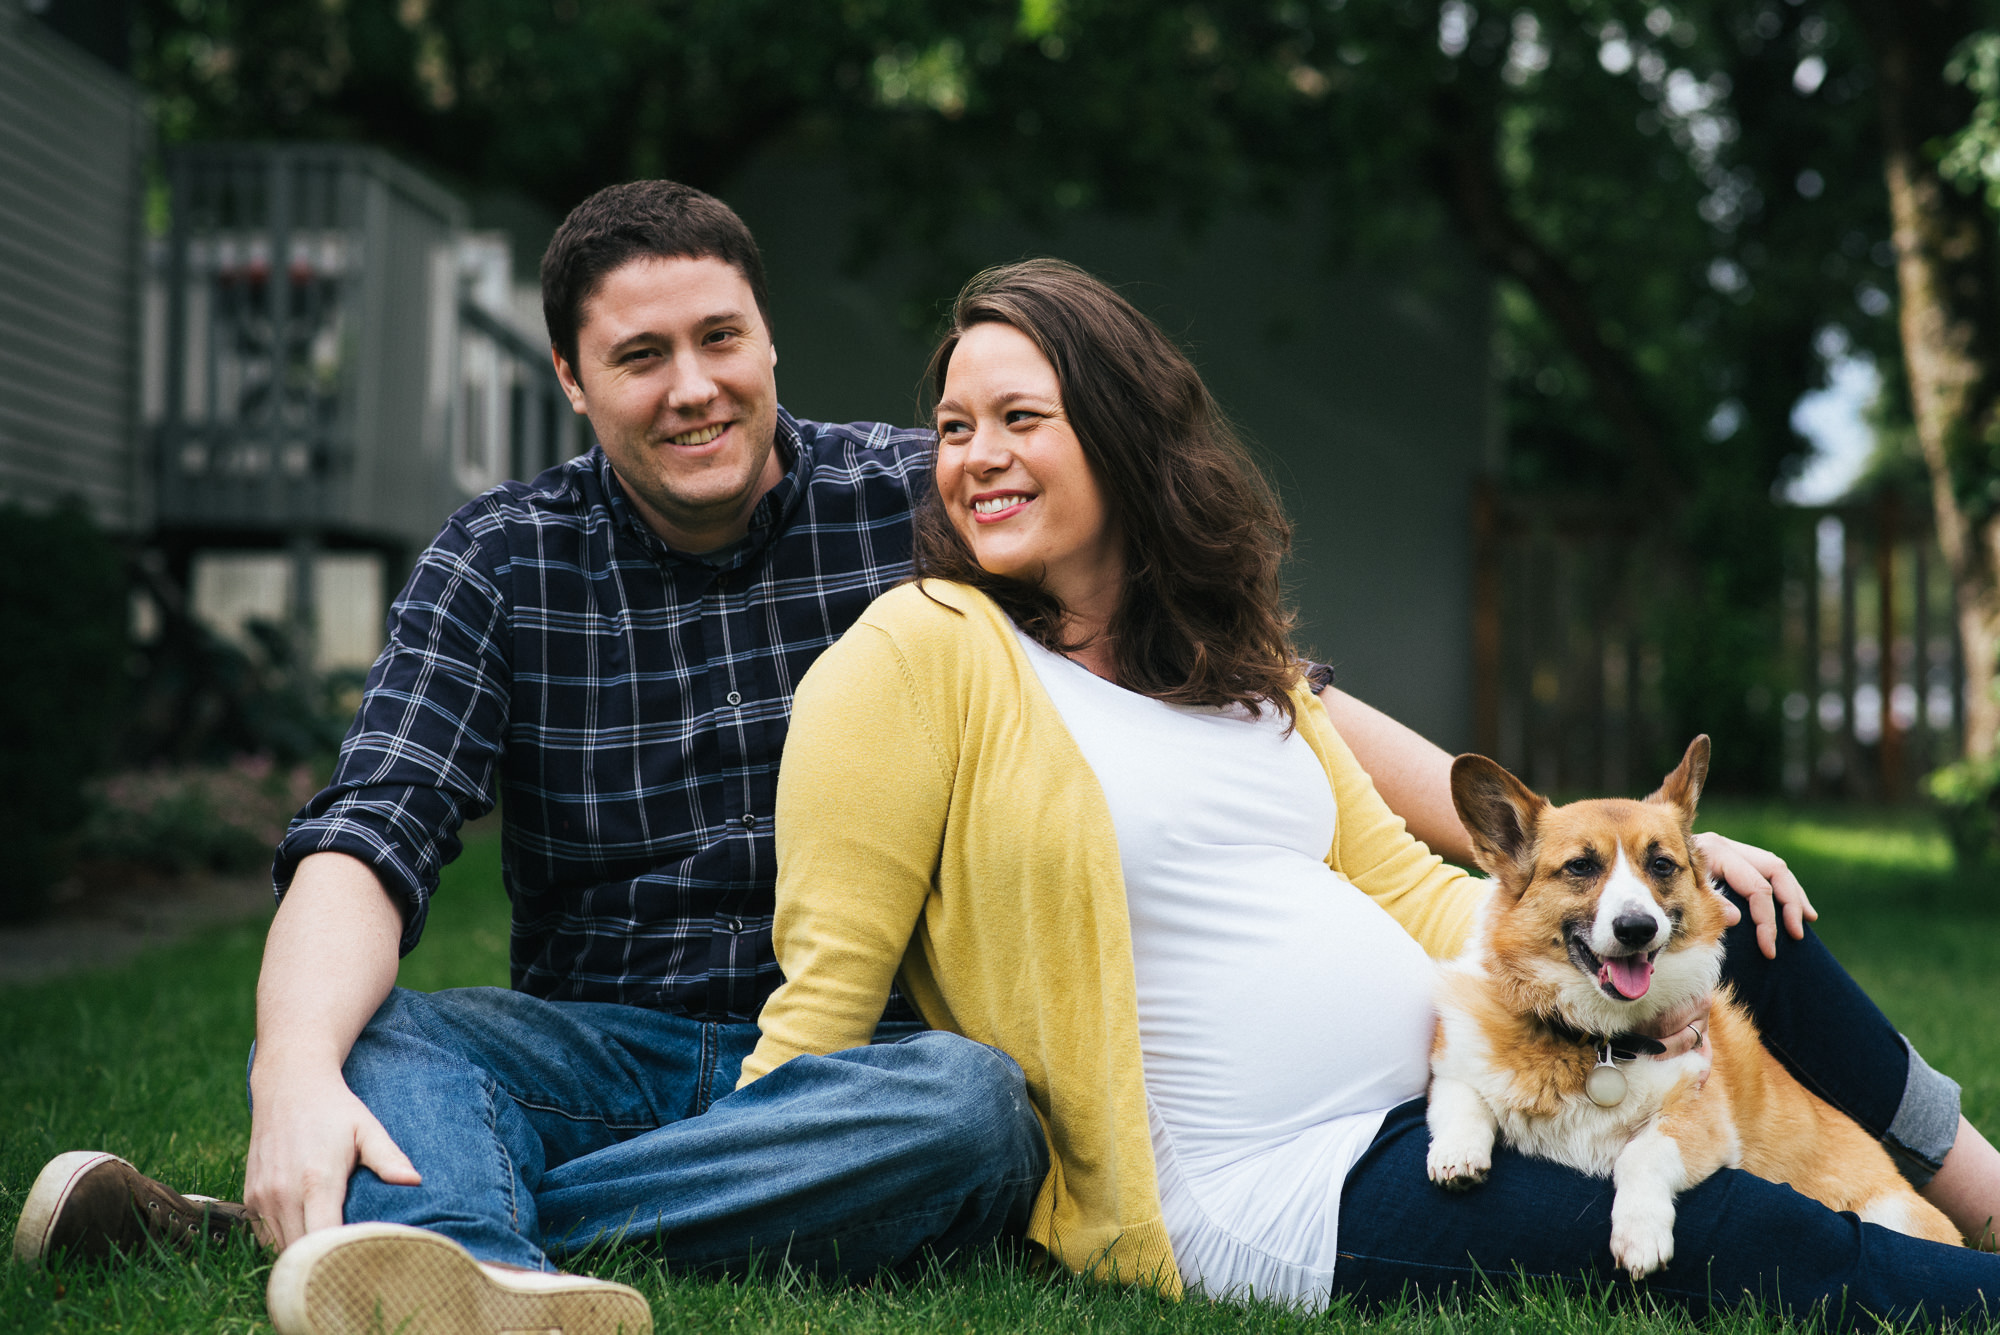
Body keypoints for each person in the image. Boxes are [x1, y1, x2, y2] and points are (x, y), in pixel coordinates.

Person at [10, 183, 1992, 1330]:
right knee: (404, 1040)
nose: (694, 383)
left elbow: (1292, 705)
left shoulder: (937, 501)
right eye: (640, 355)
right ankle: (398, 1205)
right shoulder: (537, 565)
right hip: (656, 1025)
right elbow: (368, 835)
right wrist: (290, 1059)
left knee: (963, 1112)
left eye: (724, 335)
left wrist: (1595, 843)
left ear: (773, 337)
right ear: (570, 380)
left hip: (891, 1072)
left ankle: (393, 1230)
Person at [744, 257, 2000, 1325]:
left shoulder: (1235, 669)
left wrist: (1619, 890)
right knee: (1720, 1228)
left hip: (1448, 1077)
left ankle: (1984, 1202)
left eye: (1021, 418)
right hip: (1276, 1182)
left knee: (1726, 912)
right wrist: (753, 1169)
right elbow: (825, 995)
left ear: (1122, 435)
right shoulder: (923, 652)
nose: (974, 457)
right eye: (955, 428)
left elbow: (1408, 883)